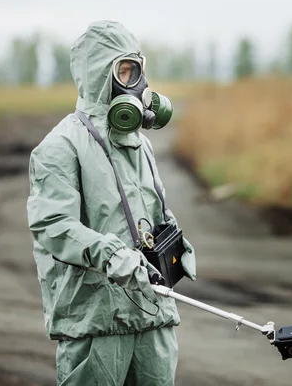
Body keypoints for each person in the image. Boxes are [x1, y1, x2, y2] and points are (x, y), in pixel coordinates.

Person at [26, 20, 196, 385]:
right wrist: (112, 254)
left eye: (138, 70)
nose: (136, 85)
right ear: (99, 75)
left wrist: (175, 245)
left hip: (153, 316)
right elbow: (52, 226)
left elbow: (149, 212)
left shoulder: (141, 144)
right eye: (124, 70)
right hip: (96, 324)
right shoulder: (60, 147)